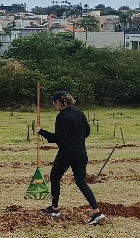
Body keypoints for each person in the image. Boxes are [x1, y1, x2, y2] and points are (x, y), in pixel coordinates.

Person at [36, 91, 105, 225]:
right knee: (81, 182)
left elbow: (60, 138)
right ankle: (97, 212)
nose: (54, 106)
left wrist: (41, 132)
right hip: (81, 153)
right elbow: (87, 132)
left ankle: (54, 209)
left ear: (59, 102)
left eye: (54, 103)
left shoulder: (62, 116)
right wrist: (76, 139)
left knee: (55, 177)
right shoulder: (80, 113)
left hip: (67, 153)